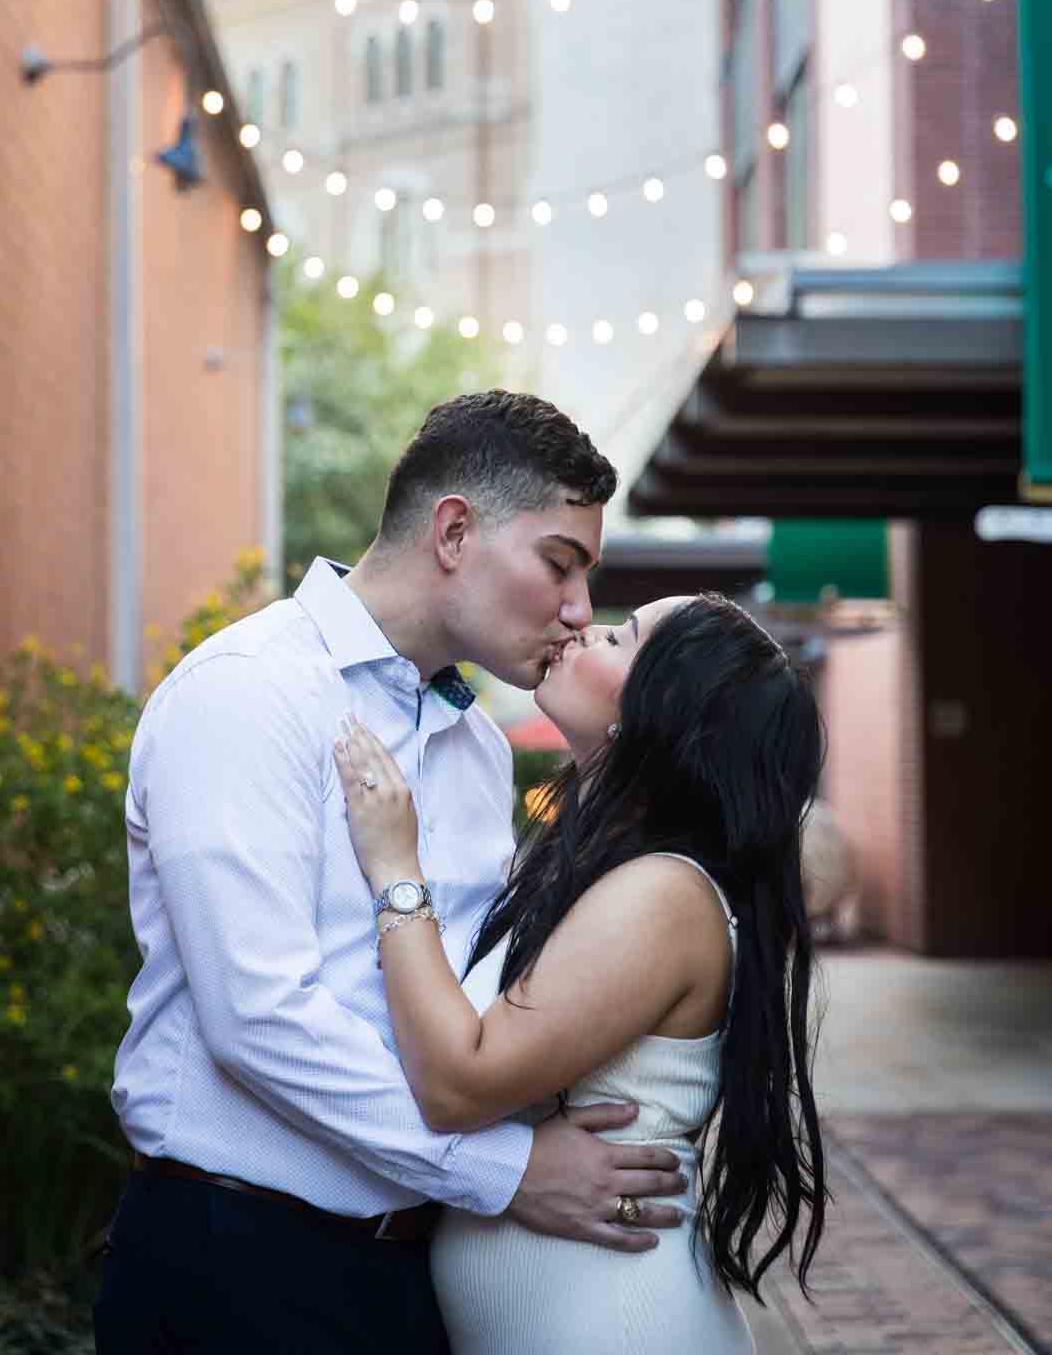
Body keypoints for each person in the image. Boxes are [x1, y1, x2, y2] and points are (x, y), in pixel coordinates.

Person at [95, 392, 690, 1355]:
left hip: (417, 1278)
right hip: (238, 1267)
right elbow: (258, 1016)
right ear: (454, 530)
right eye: (559, 563)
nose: (579, 610)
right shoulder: (248, 692)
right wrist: (504, 1169)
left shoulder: (477, 748)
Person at [333, 591, 828, 1354]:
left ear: (660, 709)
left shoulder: (661, 894)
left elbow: (458, 1084)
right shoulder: (602, 869)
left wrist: (397, 871)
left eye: (619, 636)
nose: (583, 626)